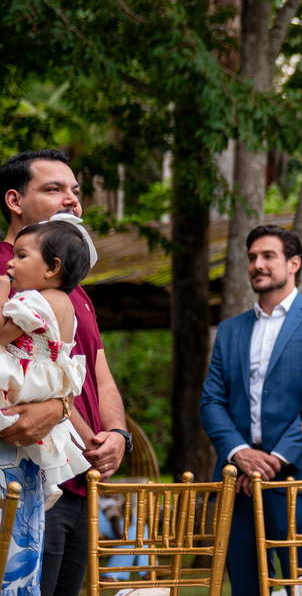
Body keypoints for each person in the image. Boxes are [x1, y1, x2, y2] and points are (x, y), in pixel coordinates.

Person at [0, 150, 129, 596]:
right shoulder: (9, 274)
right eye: (54, 189)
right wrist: (57, 407)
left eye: (75, 191)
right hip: (27, 472)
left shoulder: (70, 286)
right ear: (15, 200)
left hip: (81, 478)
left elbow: (98, 369)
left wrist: (116, 433)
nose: (72, 200)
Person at [200, 225, 302, 596]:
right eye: (252, 258)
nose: (257, 264)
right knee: (244, 584)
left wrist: (274, 459)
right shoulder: (229, 330)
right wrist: (242, 454)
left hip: (297, 478)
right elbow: (211, 401)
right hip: (237, 484)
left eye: (268, 256)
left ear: (294, 263)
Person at [0, 219, 96, 506]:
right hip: (48, 381)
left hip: (25, 376)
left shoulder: (35, 300)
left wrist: (2, 292)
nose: (10, 264)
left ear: (52, 267)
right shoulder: (65, 302)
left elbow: (3, 334)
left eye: (21, 256)